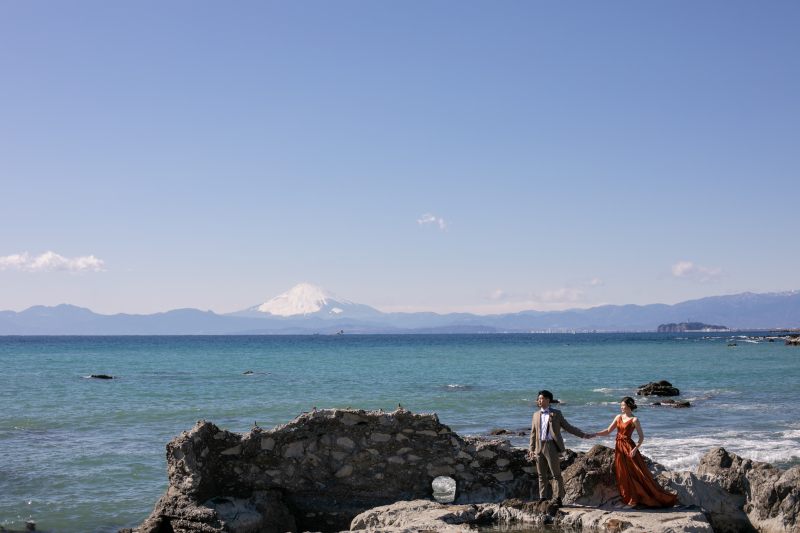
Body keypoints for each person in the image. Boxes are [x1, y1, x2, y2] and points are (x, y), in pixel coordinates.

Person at [586, 397, 678, 509]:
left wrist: (635, 449)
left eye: (623, 405)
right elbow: (608, 431)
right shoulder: (618, 417)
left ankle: (633, 501)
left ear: (629, 406)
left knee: (633, 474)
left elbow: (641, 437)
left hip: (629, 448)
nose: (621, 407)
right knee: (622, 474)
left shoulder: (634, 420)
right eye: (621, 405)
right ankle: (625, 500)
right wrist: (595, 434)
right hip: (619, 448)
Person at [528, 390, 590, 504]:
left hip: (551, 445)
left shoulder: (556, 413)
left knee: (556, 474)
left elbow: (567, 427)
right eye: (538, 399)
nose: (539, 401)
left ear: (548, 400)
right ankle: (543, 498)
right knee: (541, 475)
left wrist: (582, 435)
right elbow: (533, 433)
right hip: (539, 446)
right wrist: (531, 449)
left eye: (541, 399)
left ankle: (558, 498)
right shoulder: (535, 415)